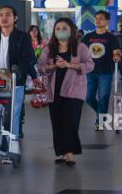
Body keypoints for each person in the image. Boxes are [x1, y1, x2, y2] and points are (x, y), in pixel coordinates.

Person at [38, 18, 94, 166]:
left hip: (74, 90)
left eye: (64, 28)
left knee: (70, 122)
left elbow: (90, 65)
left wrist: (69, 64)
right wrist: (53, 66)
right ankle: (63, 153)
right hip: (54, 90)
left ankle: (70, 154)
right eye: (58, 28)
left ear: (71, 30)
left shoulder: (80, 48)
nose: (60, 31)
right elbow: (40, 66)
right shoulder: (49, 49)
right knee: (57, 122)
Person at [0, 6, 40, 138]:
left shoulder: (22, 37)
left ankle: (12, 146)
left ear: (15, 18)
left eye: (8, 15)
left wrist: (33, 76)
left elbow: (27, 58)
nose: (4, 18)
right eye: (1, 14)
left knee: (14, 114)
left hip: (15, 81)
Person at [82, 11, 121, 130]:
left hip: (105, 71)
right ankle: (102, 115)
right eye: (96, 18)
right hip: (90, 72)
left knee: (103, 96)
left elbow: (116, 51)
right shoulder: (88, 37)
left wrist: (117, 56)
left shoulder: (111, 37)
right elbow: (81, 52)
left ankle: (100, 121)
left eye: (101, 19)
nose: (98, 20)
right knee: (89, 98)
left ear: (107, 21)